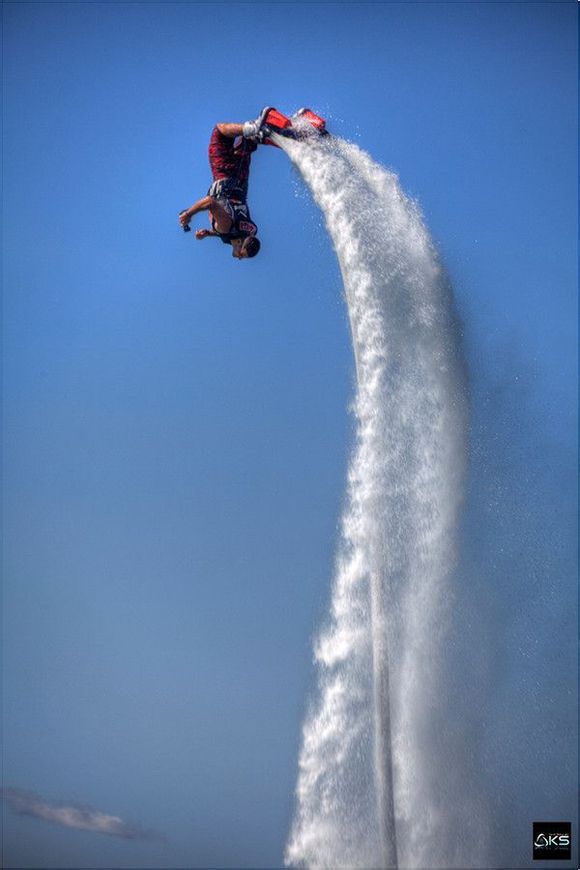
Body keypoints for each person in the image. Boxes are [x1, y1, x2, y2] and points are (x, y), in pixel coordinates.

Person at [179, 108, 272, 259]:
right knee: (219, 132)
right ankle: (254, 128)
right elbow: (210, 203)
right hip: (225, 175)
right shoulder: (226, 228)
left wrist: (209, 234)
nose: (238, 257)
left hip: (241, 180)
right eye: (241, 254)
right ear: (240, 242)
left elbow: (230, 233)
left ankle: (271, 134)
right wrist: (188, 214)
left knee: (247, 143)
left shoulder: (251, 230)